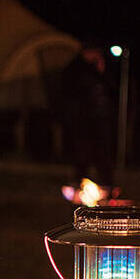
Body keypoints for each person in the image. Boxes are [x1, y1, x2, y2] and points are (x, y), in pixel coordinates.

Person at [57, 45, 118, 188]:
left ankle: (107, 186)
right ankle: (80, 185)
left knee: (102, 154)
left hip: (99, 119)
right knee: (82, 154)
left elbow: (111, 89)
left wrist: (102, 71)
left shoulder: (99, 68)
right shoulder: (75, 69)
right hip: (81, 120)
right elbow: (72, 93)